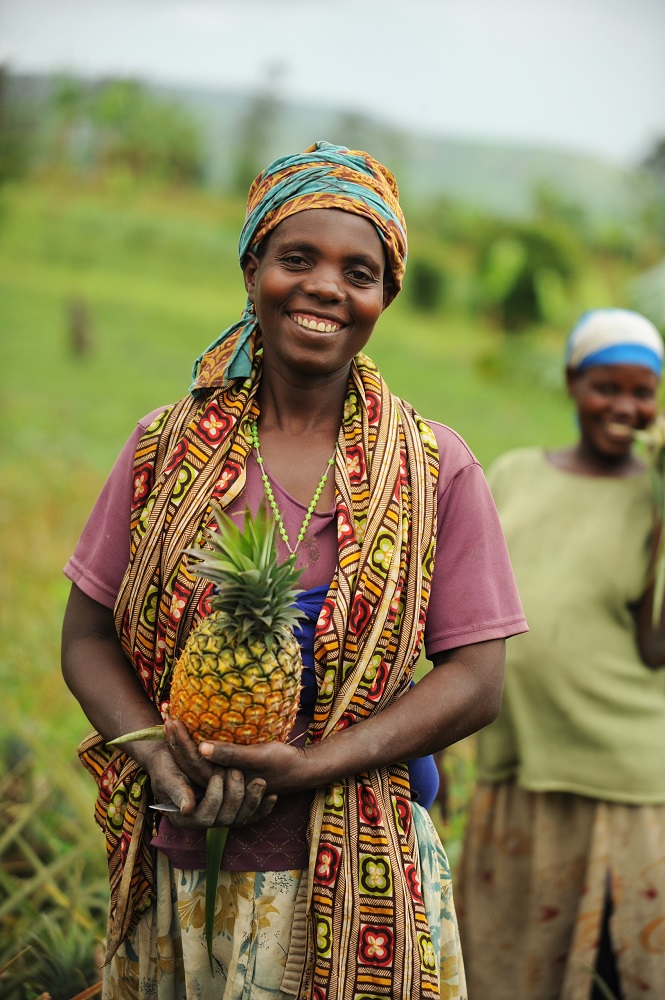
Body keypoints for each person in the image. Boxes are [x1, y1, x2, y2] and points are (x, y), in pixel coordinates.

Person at [61, 141, 527, 1000]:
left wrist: (313, 765)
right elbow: (86, 636)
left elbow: (477, 679)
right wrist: (154, 756)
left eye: (359, 271)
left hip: (362, 869)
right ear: (252, 271)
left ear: (385, 296)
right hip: (181, 856)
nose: (325, 288)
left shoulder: (432, 467)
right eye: (296, 258)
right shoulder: (164, 449)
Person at [457, 308, 665, 1000]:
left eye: (643, 393)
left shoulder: (654, 498)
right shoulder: (514, 474)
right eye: (607, 386)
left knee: (612, 970)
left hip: (621, 779)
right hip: (518, 766)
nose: (625, 407)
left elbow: (654, 644)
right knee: (513, 970)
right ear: (573, 382)